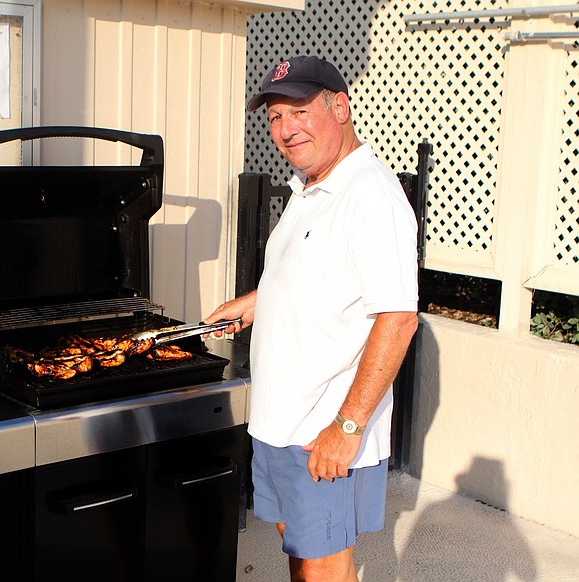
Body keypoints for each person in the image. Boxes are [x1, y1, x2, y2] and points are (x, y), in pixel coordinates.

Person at [205, 55, 419, 581]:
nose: (284, 129)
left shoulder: (369, 195)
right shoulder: (310, 187)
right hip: (280, 421)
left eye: (298, 110)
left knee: (322, 567)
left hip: (321, 430)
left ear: (340, 107)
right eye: (275, 117)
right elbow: (321, 278)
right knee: (301, 554)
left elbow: (397, 318)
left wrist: (346, 428)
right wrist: (257, 302)